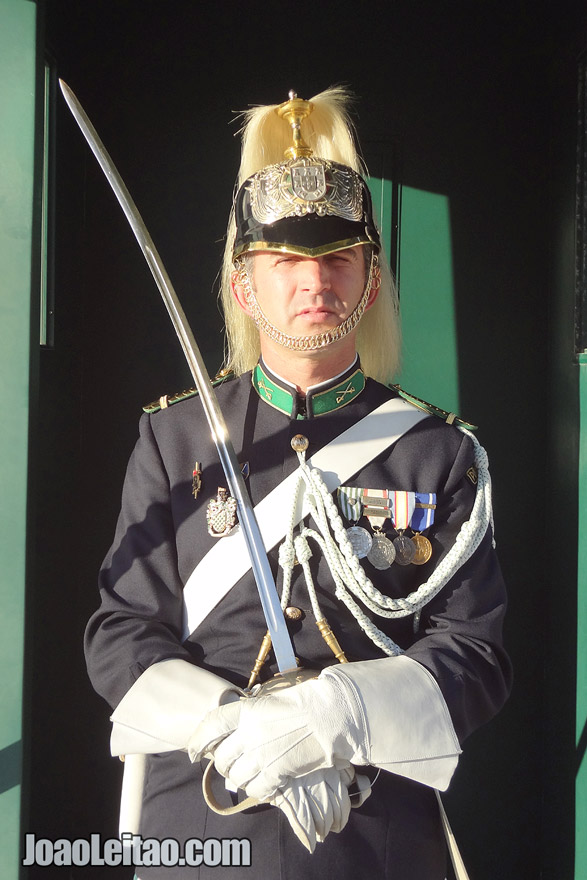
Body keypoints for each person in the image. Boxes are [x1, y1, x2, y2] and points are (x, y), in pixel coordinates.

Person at [85, 88, 512, 880]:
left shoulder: (438, 453)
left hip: (368, 824)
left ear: (370, 281)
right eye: (285, 262)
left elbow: (475, 655)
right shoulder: (173, 435)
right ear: (246, 287)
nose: (312, 282)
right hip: (205, 813)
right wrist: (228, 728)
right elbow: (119, 631)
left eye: (336, 260)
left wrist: (337, 716)